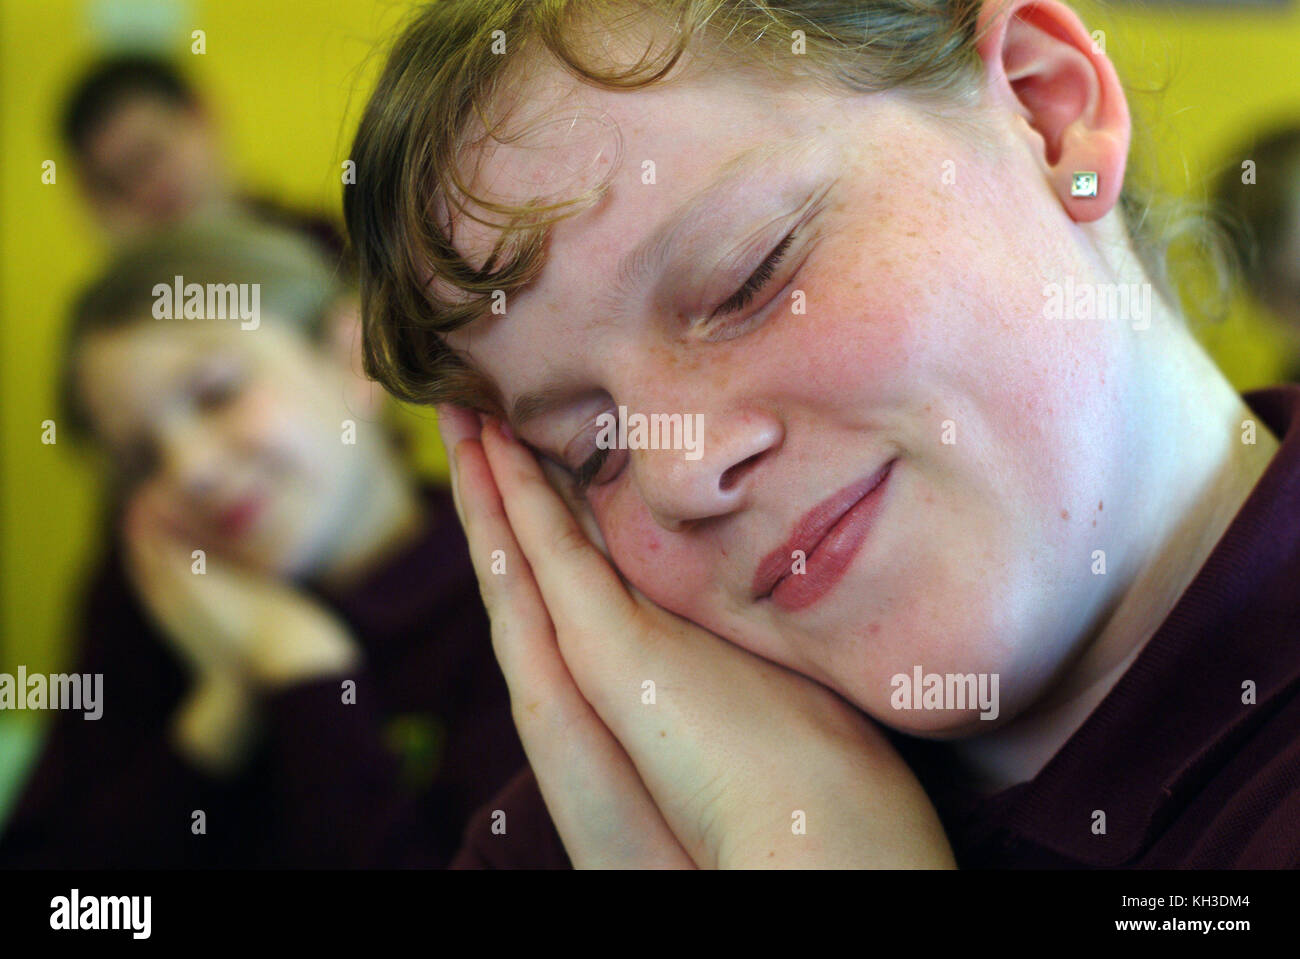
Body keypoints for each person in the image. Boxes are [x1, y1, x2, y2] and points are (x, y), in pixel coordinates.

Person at [345, 0, 1300, 868]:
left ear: (1047, 112)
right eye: (596, 451)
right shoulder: (602, 825)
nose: (680, 472)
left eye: (747, 279)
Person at [0, 216, 527, 867]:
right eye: (139, 461)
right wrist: (222, 707)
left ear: (349, 353)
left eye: (217, 393)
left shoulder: (515, 599)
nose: (191, 470)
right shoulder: (150, 603)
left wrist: (302, 673)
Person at [60, 55, 347, 268]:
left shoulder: (324, 244)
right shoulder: (123, 306)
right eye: (114, 186)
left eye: (151, 154)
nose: (142, 190)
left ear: (199, 114)